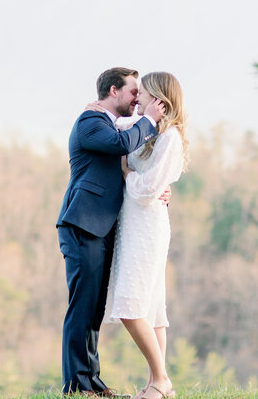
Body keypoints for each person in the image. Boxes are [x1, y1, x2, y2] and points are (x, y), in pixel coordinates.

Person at [57, 67, 166, 396]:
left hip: (102, 228)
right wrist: (148, 119)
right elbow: (121, 143)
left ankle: (92, 381)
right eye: (133, 92)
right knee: (82, 306)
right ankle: (76, 385)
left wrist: (158, 187)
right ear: (114, 90)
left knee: (94, 309)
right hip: (82, 225)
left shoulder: (110, 122)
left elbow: (125, 163)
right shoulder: (90, 121)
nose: (138, 99)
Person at [105, 72, 187, 399]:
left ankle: (162, 379)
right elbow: (117, 127)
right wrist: (99, 108)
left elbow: (147, 190)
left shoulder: (170, 139)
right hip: (134, 225)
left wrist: (127, 173)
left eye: (144, 94)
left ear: (161, 102)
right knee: (151, 308)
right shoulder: (150, 132)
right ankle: (156, 384)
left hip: (148, 226)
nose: (137, 98)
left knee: (132, 306)